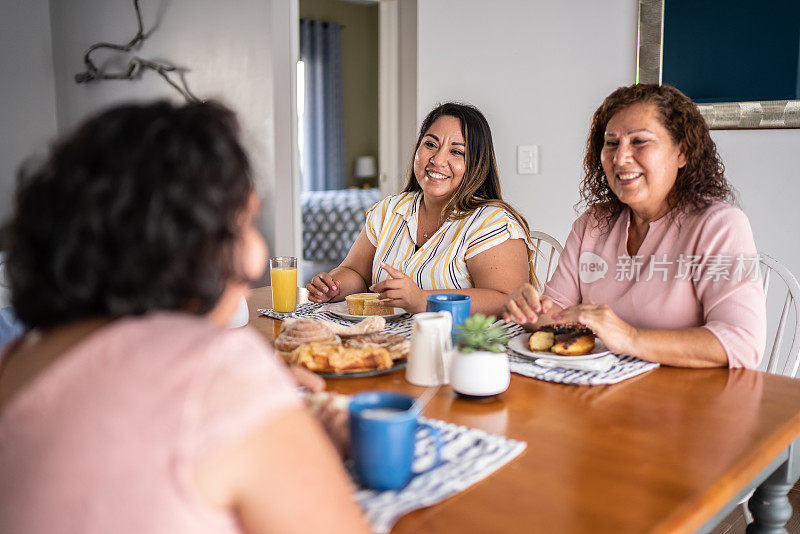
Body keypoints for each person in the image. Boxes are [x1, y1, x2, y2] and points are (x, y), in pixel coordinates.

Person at [0, 101, 369, 533]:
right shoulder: (222, 370)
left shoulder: (17, 358)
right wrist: (294, 434)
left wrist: (260, 408)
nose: (256, 257)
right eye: (244, 222)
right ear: (182, 240)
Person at [502, 84, 766, 369]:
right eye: (612, 143)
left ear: (683, 152)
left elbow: (742, 342)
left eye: (639, 141)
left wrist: (631, 338)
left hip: (688, 402)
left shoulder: (719, 225)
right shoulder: (592, 224)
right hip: (597, 395)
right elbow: (554, 314)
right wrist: (528, 309)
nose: (619, 157)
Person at [307, 102, 536, 315]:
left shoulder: (493, 222)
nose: (437, 159)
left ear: (477, 163)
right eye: (430, 144)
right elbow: (356, 272)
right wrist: (334, 286)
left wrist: (424, 300)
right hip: (388, 344)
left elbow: (507, 300)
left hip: (460, 350)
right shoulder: (389, 210)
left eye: (456, 151)